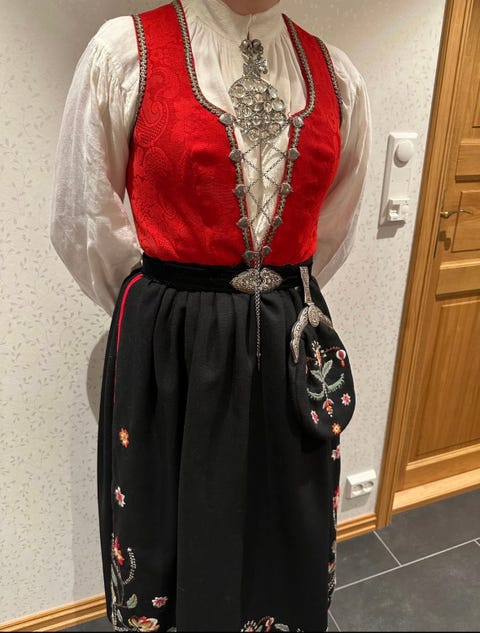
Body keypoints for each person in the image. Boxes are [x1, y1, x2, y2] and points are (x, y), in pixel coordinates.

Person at [50, 0, 371, 630]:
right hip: (170, 341)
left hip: (288, 334)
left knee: (289, 516)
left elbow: (334, 224)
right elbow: (84, 219)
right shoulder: (126, 52)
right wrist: (164, 311)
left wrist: (274, 302)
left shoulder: (338, 77)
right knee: (168, 520)